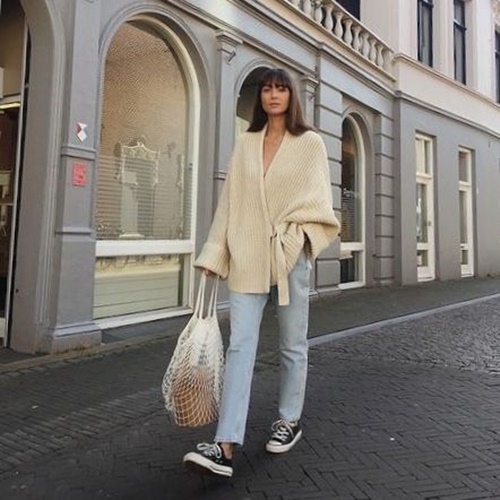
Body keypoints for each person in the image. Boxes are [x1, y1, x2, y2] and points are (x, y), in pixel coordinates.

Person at [183, 67, 340, 478]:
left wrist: (298, 239)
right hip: (248, 252)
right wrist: (213, 256)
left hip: (289, 256)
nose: (273, 95)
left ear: (291, 96)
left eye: (281, 88)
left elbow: (321, 205)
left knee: (292, 344)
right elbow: (229, 203)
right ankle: (225, 444)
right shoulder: (245, 143)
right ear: (261, 96)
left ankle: (289, 419)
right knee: (240, 347)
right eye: (268, 88)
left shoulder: (310, 143)